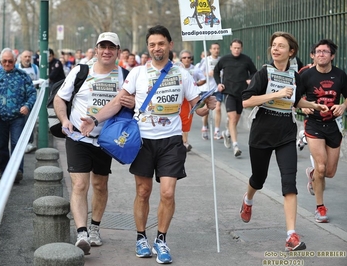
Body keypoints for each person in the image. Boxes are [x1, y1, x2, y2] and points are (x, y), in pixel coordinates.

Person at [80, 25, 217, 264]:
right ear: (148, 47)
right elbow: (117, 102)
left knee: (168, 192)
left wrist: (208, 105)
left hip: (171, 141)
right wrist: (94, 119)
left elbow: (198, 106)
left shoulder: (182, 74)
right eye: (152, 44)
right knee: (143, 192)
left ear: (169, 45)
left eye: (161, 44)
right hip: (143, 140)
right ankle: (141, 237)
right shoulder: (137, 74)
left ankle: (161, 240)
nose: (157, 48)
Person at [240, 31, 328, 251]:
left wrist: (315, 106)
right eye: (273, 45)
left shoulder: (295, 76)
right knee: (258, 178)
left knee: (289, 182)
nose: (275, 49)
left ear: (291, 52)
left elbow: (296, 100)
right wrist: (275, 94)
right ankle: (248, 199)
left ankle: (291, 235)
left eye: (280, 46)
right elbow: (246, 101)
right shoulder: (264, 73)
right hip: (261, 133)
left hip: (286, 134)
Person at [53, 32, 132, 255]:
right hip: (78, 137)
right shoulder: (81, 71)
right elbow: (60, 98)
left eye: (111, 47)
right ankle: (81, 233)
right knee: (79, 185)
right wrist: (65, 120)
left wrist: (133, 101)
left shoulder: (125, 76)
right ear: (96, 49)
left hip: (106, 140)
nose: (106, 51)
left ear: (118, 51)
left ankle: (95, 228)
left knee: (100, 185)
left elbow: (138, 104)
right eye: (102, 46)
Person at [300, 39, 347, 223]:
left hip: (334, 125)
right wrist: (303, 108)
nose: (321, 54)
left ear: (332, 56)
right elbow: (296, 99)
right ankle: (320, 208)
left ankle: (313, 175)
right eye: (318, 51)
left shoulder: (341, 75)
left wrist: (343, 107)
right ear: (313, 55)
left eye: (325, 52)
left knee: (329, 172)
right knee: (321, 167)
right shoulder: (306, 76)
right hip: (314, 124)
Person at [0, 48, 37, 183]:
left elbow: (32, 93)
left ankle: (17, 172)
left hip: (17, 117)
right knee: (2, 145)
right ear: (0, 62)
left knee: (16, 143)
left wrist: (27, 106)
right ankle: (4, 171)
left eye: (10, 61)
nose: (7, 64)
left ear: (15, 61)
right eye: (4, 61)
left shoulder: (23, 76)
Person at [214, 39, 257, 157]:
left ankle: (227, 133)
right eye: (235, 48)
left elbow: (254, 72)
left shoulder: (246, 60)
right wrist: (219, 83)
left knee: (236, 119)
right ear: (230, 48)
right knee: (232, 118)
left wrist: (250, 80)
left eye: (239, 48)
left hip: (242, 93)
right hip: (229, 92)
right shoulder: (224, 60)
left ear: (241, 48)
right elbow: (216, 71)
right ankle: (235, 145)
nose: (236, 50)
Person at [179, 49, 206, 151]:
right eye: (184, 58)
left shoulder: (195, 69)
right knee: (178, 118)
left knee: (187, 118)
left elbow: (203, 79)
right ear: (181, 59)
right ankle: (181, 141)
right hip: (179, 97)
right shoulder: (177, 69)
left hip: (190, 97)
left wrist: (196, 84)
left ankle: (185, 142)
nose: (186, 60)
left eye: (188, 58)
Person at [15, 50, 40, 154]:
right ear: (21, 57)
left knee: (30, 121)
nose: (27, 58)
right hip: (18, 100)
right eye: (25, 56)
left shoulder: (35, 68)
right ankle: (18, 142)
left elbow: (39, 82)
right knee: (19, 121)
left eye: (29, 56)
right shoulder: (16, 68)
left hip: (30, 99)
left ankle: (29, 143)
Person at [200, 43, 222, 140]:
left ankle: (216, 130)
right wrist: (207, 74)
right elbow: (199, 72)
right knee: (206, 110)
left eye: (217, 48)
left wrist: (219, 74)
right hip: (207, 88)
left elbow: (224, 71)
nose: (216, 50)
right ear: (210, 50)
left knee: (218, 108)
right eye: (214, 48)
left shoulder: (221, 60)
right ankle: (204, 127)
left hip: (217, 88)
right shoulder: (206, 60)